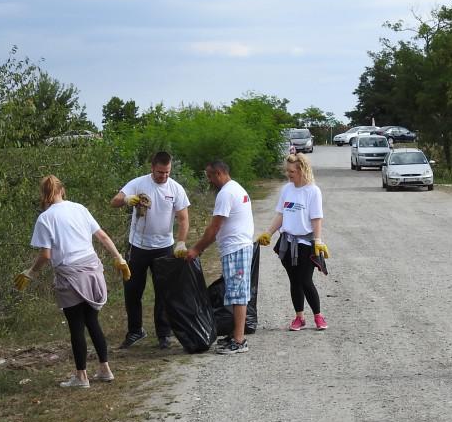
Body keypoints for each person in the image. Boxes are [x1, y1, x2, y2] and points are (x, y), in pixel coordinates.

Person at [14, 175, 131, 388]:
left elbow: (46, 255)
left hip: (69, 275)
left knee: (76, 326)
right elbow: (103, 237)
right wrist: (118, 258)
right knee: (92, 321)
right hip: (92, 269)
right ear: (62, 190)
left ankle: (81, 377)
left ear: (44, 194)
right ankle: (105, 369)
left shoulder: (45, 218)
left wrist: (31, 272)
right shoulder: (79, 208)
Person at [110, 151, 190, 350]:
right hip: (137, 246)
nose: (163, 176)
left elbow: (183, 218)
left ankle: (164, 333)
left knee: (164, 292)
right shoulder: (138, 183)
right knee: (132, 290)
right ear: (152, 168)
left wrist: (181, 242)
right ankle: (135, 331)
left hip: (164, 247)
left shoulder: (176, 189)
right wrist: (128, 200)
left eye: (167, 172)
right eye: (160, 172)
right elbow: (114, 201)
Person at [185, 160, 254, 354]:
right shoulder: (236, 188)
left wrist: (197, 249)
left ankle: (239, 340)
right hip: (237, 247)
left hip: (236, 248)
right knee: (234, 291)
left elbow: (214, 227)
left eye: (210, 176)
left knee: (238, 294)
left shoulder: (226, 193)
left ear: (219, 173)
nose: (209, 180)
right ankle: (235, 333)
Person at [256, 153, 329, 331]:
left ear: (302, 170)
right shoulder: (286, 190)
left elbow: (316, 218)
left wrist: (318, 241)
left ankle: (318, 316)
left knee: (305, 280)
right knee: (294, 281)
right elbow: (281, 214)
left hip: (306, 243)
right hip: (287, 243)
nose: (289, 174)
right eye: (287, 171)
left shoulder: (313, 191)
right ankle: (299, 317)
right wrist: (268, 233)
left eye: (292, 171)